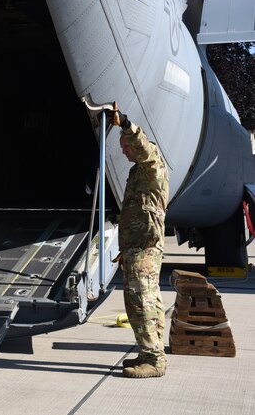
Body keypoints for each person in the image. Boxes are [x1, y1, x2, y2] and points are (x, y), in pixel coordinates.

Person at [112, 110, 169, 379]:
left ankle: (154, 360)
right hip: (137, 245)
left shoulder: (151, 163)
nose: (124, 152)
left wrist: (125, 125)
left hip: (145, 245)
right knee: (149, 299)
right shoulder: (139, 172)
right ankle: (151, 353)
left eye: (126, 147)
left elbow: (141, 145)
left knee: (140, 300)